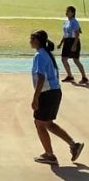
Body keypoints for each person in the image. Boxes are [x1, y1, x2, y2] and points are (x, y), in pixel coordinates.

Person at [28, 30, 84, 164]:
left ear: (36, 40)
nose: (29, 41)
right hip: (55, 92)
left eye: (31, 39)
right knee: (48, 123)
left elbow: (41, 77)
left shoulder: (39, 55)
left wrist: (35, 97)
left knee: (39, 124)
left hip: (47, 93)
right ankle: (73, 145)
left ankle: (49, 155)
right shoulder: (47, 54)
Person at [58, 6, 87, 84]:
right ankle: (70, 76)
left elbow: (77, 34)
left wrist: (74, 45)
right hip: (67, 42)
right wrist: (61, 43)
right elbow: (65, 34)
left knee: (76, 60)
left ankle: (84, 77)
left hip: (73, 41)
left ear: (73, 13)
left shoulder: (74, 22)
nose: (66, 12)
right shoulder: (66, 22)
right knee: (64, 59)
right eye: (66, 11)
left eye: (68, 11)